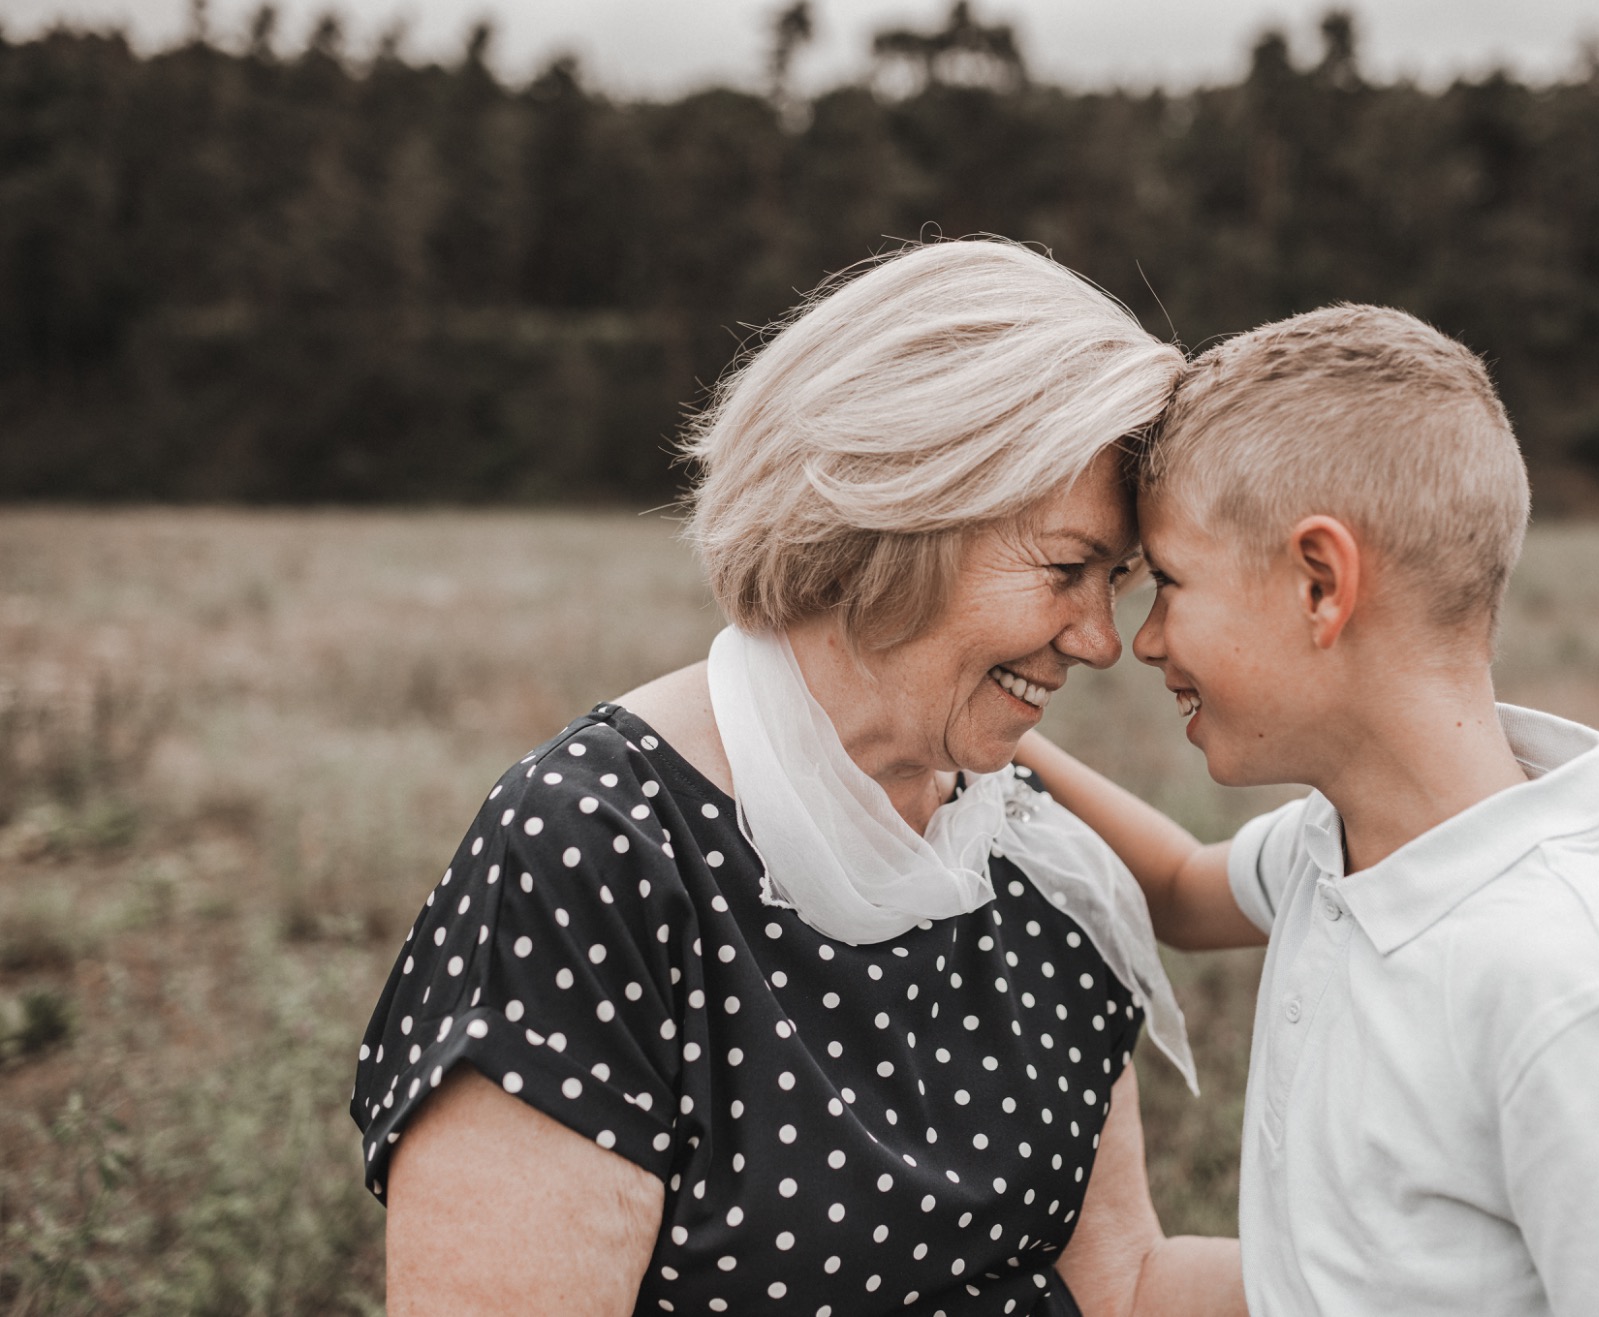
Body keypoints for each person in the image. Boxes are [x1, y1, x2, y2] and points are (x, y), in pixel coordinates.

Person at [349, 239, 1248, 1317]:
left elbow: (1119, 1283)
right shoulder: (595, 854)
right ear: (894, 508)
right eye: (1065, 568)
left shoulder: (1036, 846)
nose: (1101, 640)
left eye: (1118, 578)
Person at [1017, 304, 1599, 1315]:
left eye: (1172, 584)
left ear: (1320, 584)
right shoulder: (1336, 849)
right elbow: (1181, 890)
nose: (1143, 642)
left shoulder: (1575, 991)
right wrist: (990, 736)